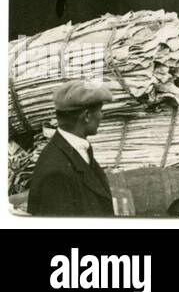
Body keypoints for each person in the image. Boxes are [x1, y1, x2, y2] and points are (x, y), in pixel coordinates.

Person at [28, 81, 116, 216]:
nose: (101, 116)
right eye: (100, 111)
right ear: (86, 116)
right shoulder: (56, 174)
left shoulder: (77, 150)